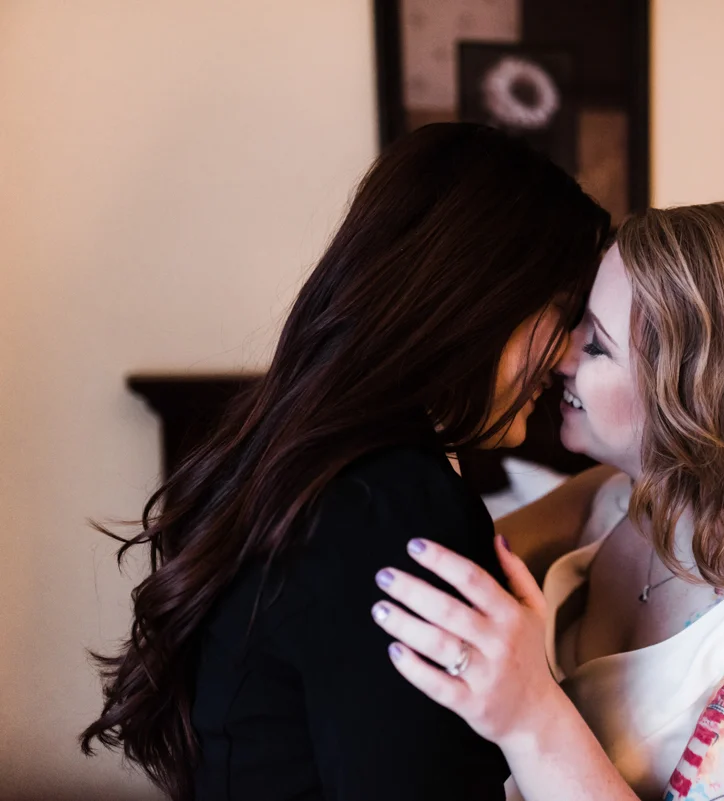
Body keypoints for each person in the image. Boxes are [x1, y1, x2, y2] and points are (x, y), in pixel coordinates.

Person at [80, 122, 613, 801]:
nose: (568, 357)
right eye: (564, 313)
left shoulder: (296, 464)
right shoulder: (398, 504)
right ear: (475, 297)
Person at [370, 202, 724, 801]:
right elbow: (419, 574)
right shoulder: (615, 500)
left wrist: (529, 715)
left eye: (596, 346)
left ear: (703, 392)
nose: (561, 357)